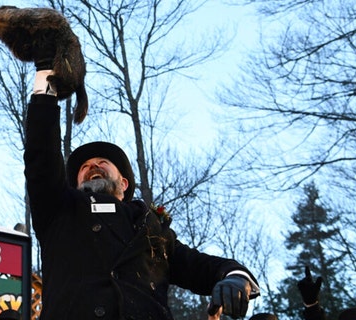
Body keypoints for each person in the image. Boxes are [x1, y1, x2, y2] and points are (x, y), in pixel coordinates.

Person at [20, 31, 261, 319]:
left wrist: (235, 277)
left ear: (123, 183)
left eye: (103, 161)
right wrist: (47, 76)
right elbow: (41, 156)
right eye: (84, 167)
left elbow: (201, 266)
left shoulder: (153, 232)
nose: (92, 166)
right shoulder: (60, 211)